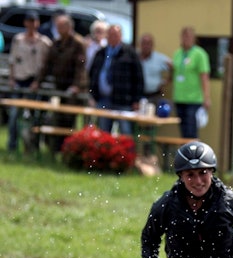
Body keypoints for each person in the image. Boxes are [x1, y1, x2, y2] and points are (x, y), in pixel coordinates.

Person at [31, 14, 86, 153]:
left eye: (61, 26)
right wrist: (38, 82)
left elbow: (81, 68)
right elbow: (46, 66)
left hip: (72, 90)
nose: (58, 29)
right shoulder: (56, 43)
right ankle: (55, 150)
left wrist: (76, 86)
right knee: (56, 119)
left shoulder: (78, 43)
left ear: (69, 27)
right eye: (57, 26)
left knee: (69, 121)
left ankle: (69, 150)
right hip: (59, 87)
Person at [6, 11, 51, 152]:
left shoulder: (44, 42)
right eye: (29, 21)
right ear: (25, 23)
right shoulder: (18, 39)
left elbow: (46, 65)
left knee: (33, 117)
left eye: (34, 21)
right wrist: (12, 79)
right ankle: (12, 145)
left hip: (34, 83)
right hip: (19, 81)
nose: (32, 24)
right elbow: (12, 61)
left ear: (38, 23)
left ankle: (32, 146)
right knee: (14, 115)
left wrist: (38, 81)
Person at [88, 24, 144, 135]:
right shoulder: (101, 53)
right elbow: (92, 74)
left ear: (120, 36)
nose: (112, 37)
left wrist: (136, 99)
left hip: (123, 100)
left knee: (125, 132)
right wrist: (93, 94)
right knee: (104, 133)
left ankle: (126, 153)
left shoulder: (129, 53)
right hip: (103, 99)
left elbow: (138, 77)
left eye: (115, 35)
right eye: (110, 35)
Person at [172, 26, 211, 139]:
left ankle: (194, 156)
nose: (186, 39)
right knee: (183, 132)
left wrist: (207, 97)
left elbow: (204, 77)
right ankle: (185, 155)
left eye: (189, 36)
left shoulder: (199, 54)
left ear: (194, 38)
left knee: (191, 132)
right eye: (184, 36)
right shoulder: (177, 53)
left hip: (193, 100)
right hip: (179, 98)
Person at [138, 32, 173, 106]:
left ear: (152, 45)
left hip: (155, 96)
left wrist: (166, 81)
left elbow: (173, 67)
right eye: (144, 43)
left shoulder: (160, 58)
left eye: (149, 43)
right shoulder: (135, 57)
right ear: (140, 45)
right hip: (138, 96)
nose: (146, 46)